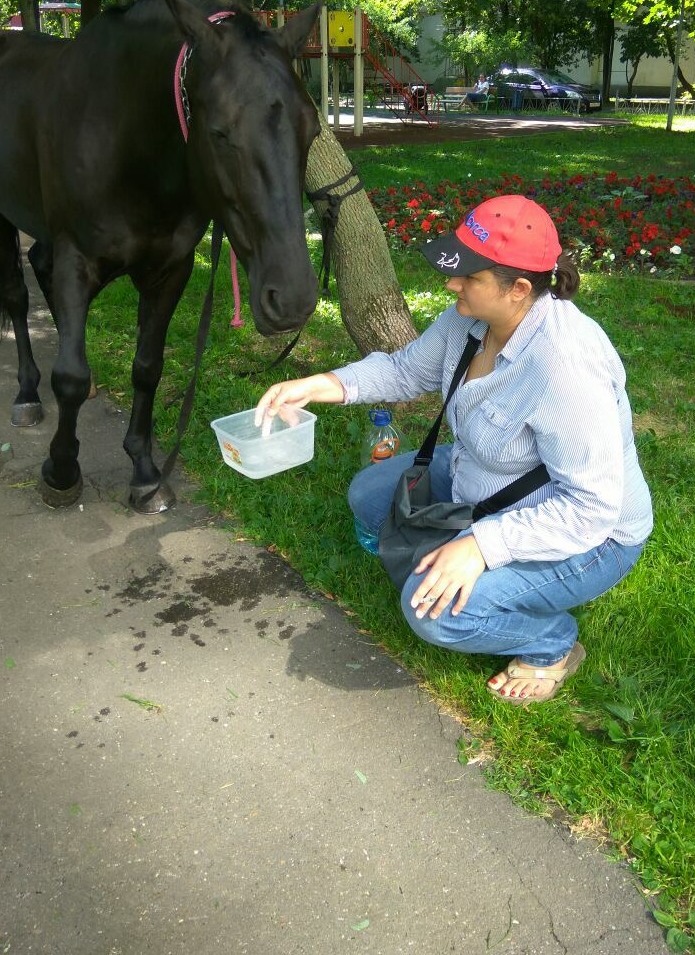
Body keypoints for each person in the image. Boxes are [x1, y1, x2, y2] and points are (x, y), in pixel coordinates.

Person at [255, 195, 653, 705]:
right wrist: (320, 383)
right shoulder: (469, 320)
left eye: (468, 276)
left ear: (519, 289)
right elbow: (405, 370)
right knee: (372, 495)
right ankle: (444, 563)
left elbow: (591, 508)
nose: (451, 284)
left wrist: (482, 546)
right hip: (484, 474)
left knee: (434, 616)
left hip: (592, 539)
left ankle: (552, 643)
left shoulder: (566, 369)